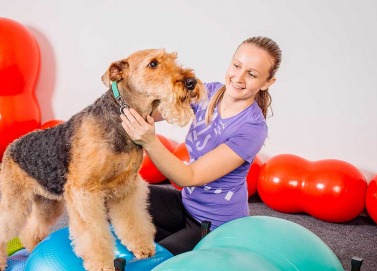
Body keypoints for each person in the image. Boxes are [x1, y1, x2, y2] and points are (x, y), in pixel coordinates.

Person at [120, 36, 282, 255]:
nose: (239, 78)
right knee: (119, 196)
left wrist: (149, 140)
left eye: (252, 74)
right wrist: (129, 90)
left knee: (152, 265)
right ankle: (171, 238)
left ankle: (187, 249)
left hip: (214, 226)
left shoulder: (253, 128)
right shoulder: (209, 92)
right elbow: (155, 112)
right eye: (236, 66)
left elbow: (189, 177)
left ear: (267, 82)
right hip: (186, 204)